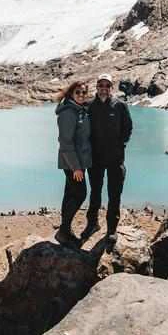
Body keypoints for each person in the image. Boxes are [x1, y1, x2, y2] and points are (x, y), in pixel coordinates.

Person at [83, 73, 132, 241]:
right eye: (101, 85)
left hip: (115, 159)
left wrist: (120, 145)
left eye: (107, 85)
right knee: (95, 192)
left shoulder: (120, 106)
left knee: (114, 194)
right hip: (95, 158)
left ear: (111, 87)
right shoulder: (89, 106)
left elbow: (128, 128)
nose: (104, 88)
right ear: (97, 87)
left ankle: (111, 229)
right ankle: (92, 223)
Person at [54, 80, 93, 246]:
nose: (81, 95)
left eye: (84, 92)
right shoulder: (68, 113)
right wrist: (76, 167)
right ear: (71, 94)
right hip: (72, 163)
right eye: (78, 92)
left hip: (77, 161)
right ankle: (64, 230)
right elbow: (65, 142)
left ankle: (65, 230)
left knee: (70, 193)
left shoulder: (79, 109)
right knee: (80, 194)